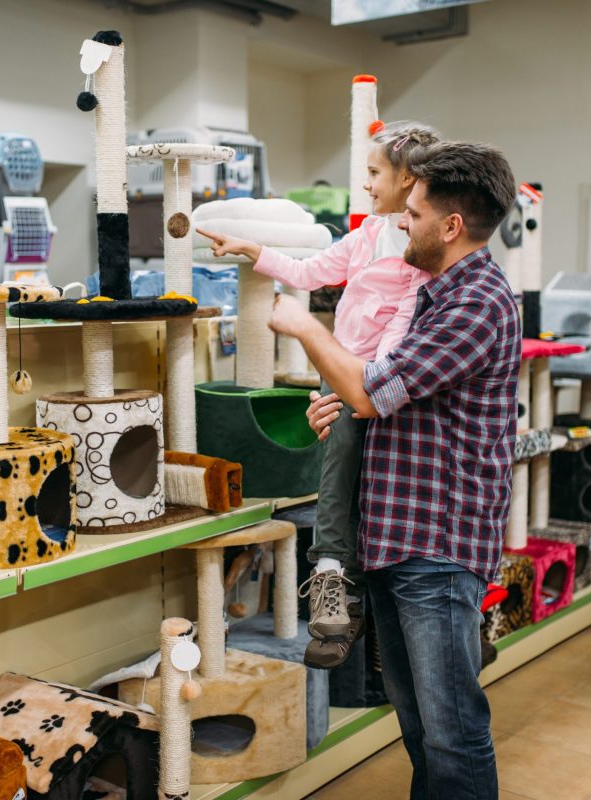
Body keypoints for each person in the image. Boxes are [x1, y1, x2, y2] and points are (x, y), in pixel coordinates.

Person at [268, 140, 520, 800]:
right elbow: (382, 393)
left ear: (450, 225)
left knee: (452, 729)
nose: (399, 223)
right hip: (396, 540)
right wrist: (343, 413)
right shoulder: (431, 294)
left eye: (412, 212)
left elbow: (370, 390)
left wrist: (305, 327)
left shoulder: (477, 303)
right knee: (419, 725)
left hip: (436, 548)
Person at [197, 121, 440, 669]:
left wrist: (369, 382)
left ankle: (408, 614)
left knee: (382, 494)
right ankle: (333, 587)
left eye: (375, 173)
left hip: (379, 381)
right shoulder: (367, 236)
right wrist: (253, 250)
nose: (368, 184)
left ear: (409, 179)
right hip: (342, 377)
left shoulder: (420, 250)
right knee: (337, 479)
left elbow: (404, 324)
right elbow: (307, 272)